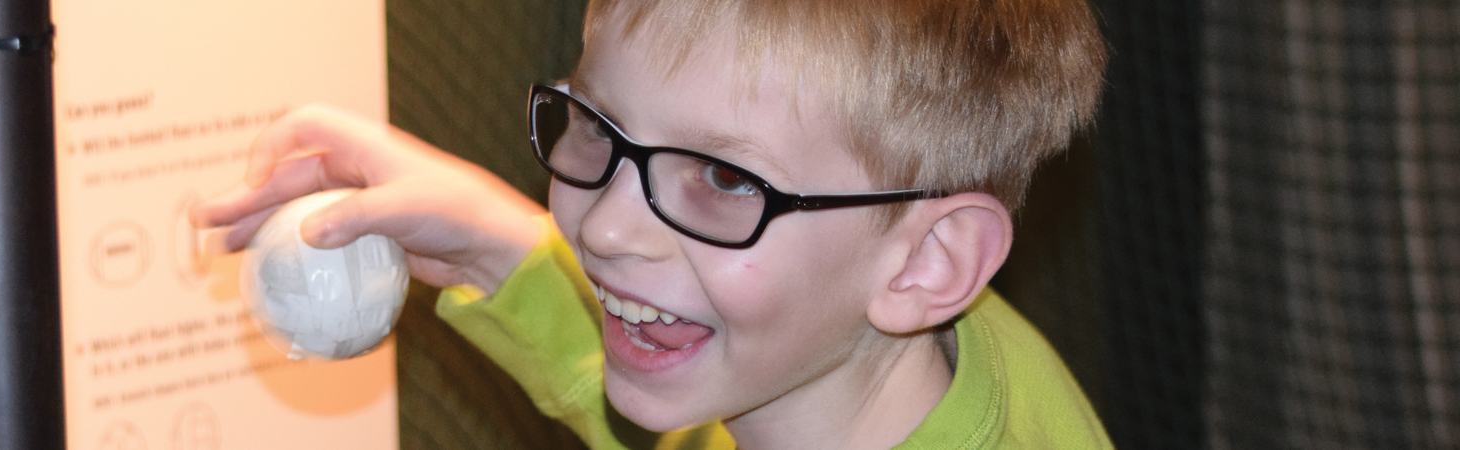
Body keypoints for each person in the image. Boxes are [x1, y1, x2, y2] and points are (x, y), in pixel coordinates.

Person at [195, 0, 1109, 447]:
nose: (604, 232)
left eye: (721, 175)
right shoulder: (863, 351)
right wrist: (492, 240)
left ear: (931, 263)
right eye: (598, 126)